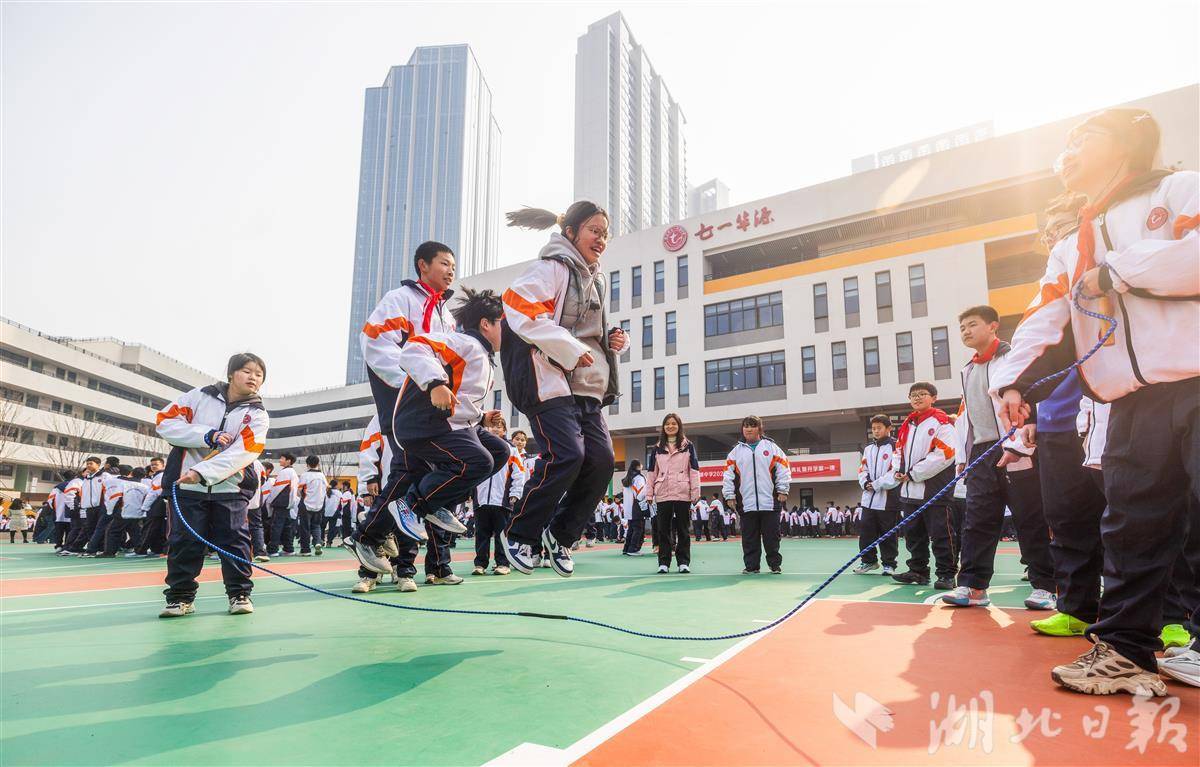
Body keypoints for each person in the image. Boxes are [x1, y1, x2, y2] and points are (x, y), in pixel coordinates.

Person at [992, 108, 1198, 695]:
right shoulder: (1068, 246)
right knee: (1132, 526)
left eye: (1083, 136)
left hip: (1197, 380)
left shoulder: (1178, 189)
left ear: (1127, 141)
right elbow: (1042, 318)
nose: (1068, 149)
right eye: (1065, 140)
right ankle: (1127, 653)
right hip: (1133, 399)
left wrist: (1116, 272)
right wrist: (1010, 384)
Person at [498, 201, 629, 576]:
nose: (601, 239)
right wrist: (571, 349)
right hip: (548, 377)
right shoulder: (552, 267)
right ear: (570, 232)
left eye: (605, 233)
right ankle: (520, 533)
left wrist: (616, 339)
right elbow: (517, 306)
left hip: (586, 385)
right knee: (567, 454)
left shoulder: (597, 278)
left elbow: (592, 331)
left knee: (602, 462)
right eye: (594, 231)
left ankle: (560, 534)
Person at [348, 288, 508, 586]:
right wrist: (434, 382)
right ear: (486, 324)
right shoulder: (465, 343)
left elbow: (462, 403)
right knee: (477, 461)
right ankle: (408, 511)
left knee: (499, 451)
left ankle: (429, 503)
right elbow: (416, 345)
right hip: (421, 425)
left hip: (454, 426)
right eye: (504, 323)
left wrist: (481, 418)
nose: (509, 331)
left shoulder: (485, 360)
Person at [942, 305, 1056, 610]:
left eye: (972, 324)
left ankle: (1046, 586)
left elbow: (1027, 403)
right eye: (962, 327)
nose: (966, 331)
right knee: (977, 520)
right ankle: (973, 586)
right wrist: (963, 458)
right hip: (981, 452)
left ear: (994, 326)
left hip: (1016, 446)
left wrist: (1022, 445)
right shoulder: (967, 369)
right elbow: (968, 417)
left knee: (1030, 518)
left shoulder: (1013, 358)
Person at [156, 352, 269, 618]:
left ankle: (239, 594)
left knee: (235, 542)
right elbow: (164, 422)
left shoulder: (258, 414)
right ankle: (180, 597)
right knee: (184, 541)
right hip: (186, 488)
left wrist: (203, 472)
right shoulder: (198, 396)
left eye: (259, 374)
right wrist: (206, 435)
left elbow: (246, 451)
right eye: (247, 371)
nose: (253, 377)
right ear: (231, 374)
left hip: (231, 488)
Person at [890, 382, 959, 590]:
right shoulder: (907, 424)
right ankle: (918, 571)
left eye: (922, 394)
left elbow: (945, 454)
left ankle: (946, 574)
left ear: (934, 397)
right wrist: (897, 471)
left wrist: (913, 473)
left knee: (941, 534)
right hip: (909, 491)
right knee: (913, 535)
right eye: (913, 395)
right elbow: (898, 451)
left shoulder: (942, 422)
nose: (917, 398)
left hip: (934, 489)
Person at [723, 415, 791, 574]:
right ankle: (752, 566)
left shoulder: (772, 447)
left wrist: (782, 489)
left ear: (759, 428)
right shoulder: (735, 452)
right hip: (746, 503)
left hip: (770, 501)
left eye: (752, 426)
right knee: (749, 538)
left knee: (772, 537)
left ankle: (774, 565)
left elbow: (783, 468)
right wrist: (729, 495)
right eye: (745, 426)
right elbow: (728, 475)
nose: (748, 429)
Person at [645, 413, 701, 574]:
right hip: (663, 493)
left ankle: (683, 562)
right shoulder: (657, 448)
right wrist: (649, 494)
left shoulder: (688, 446)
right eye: (667, 424)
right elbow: (651, 472)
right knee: (663, 529)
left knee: (683, 529)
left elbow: (694, 470)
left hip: (683, 492)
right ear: (663, 427)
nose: (670, 426)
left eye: (674, 423)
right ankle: (664, 562)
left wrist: (695, 492)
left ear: (679, 426)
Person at [472, 416, 526, 575]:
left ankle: (503, 563)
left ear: (504, 430)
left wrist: (515, 493)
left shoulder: (511, 449)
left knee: (502, 534)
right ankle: (480, 564)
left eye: (499, 426)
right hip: (481, 499)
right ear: (486, 428)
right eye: (492, 425)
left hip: (502, 499)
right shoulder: (477, 446)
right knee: (481, 534)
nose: (495, 429)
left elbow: (519, 473)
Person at [854, 415, 902, 575]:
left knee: (888, 533)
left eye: (879, 428)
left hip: (889, 499)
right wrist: (865, 482)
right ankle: (868, 561)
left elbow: (895, 472)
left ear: (889, 429)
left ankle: (889, 564)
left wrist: (876, 484)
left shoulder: (897, 446)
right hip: (868, 500)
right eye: (873, 428)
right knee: (866, 532)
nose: (875, 431)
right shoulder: (868, 449)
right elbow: (862, 469)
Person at [266, 453, 298, 557]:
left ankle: (272, 550)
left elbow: (276, 489)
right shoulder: (293, 472)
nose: (280, 460)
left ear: (288, 461)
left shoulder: (284, 472)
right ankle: (288, 549)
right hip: (287, 504)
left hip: (280, 503)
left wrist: (270, 500)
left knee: (276, 527)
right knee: (286, 527)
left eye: (282, 458)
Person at [296, 455, 328, 556]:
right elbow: (326, 489)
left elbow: (299, 491)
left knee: (305, 527)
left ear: (307, 464)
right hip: (319, 504)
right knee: (317, 525)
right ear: (318, 464)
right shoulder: (322, 475)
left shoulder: (305, 475)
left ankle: (305, 550)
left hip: (306, 503)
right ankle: (318, 542)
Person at [620, 460, 647, 556]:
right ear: (638, 467)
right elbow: (640, 495)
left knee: (631, 529)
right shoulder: (639, 478)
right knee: (638, 529)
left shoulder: (627, 479)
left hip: (628, 507)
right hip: (637, 506)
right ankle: (633, 549)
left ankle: (626, 548)